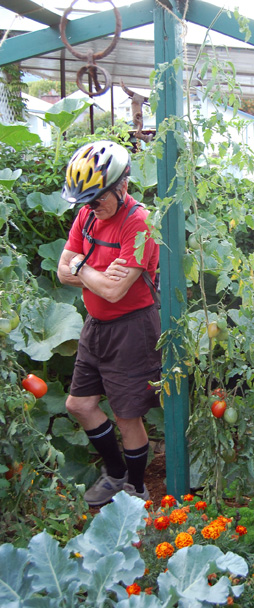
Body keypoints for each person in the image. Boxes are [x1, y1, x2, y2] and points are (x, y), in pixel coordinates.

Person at [57, 140, 161, 505]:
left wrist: (82, 266)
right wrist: (93, 271)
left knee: (127, 415)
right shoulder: (88, 215)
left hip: (132, 327)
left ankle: (136, 487)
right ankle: (115, 473)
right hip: (96, 326)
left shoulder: (138, 224)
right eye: (85, 201)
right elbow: (61, 270)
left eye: (98, 198)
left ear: (123, 187)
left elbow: (116, 292)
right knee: (79, 405)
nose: (91, 208)